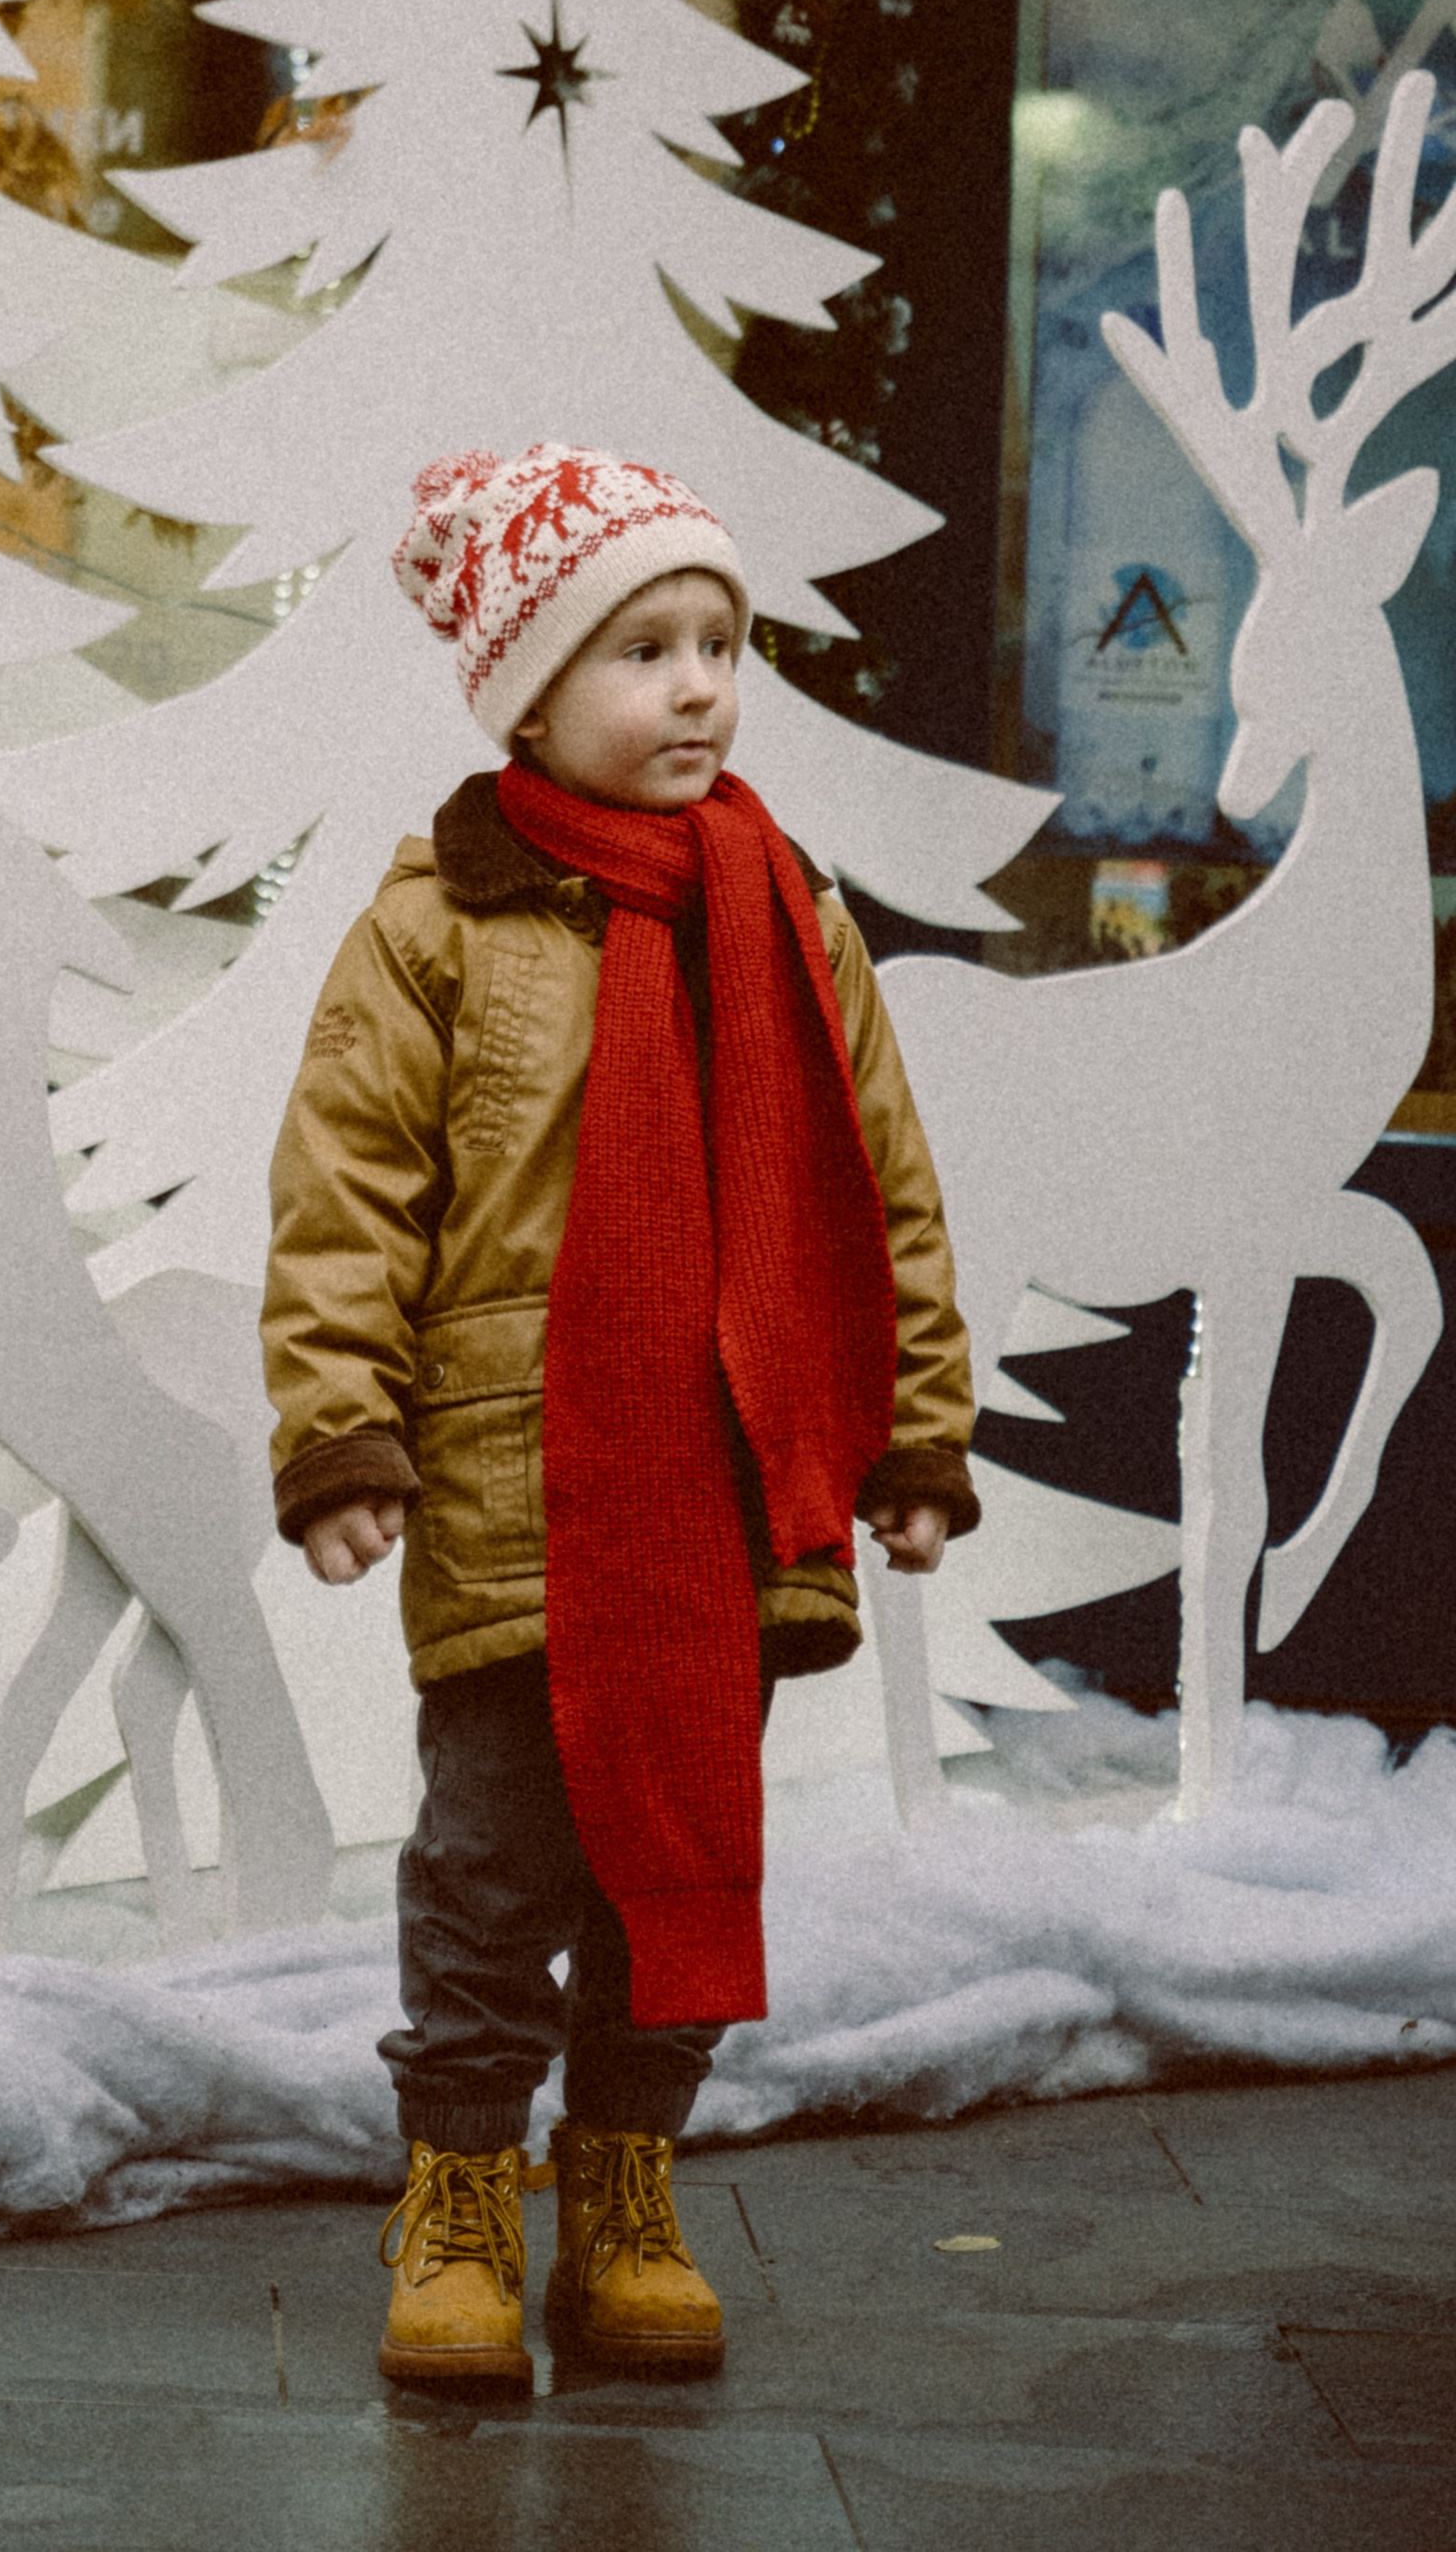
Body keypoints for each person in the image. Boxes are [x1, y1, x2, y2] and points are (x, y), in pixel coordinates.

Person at [263, 444, 976, 2392]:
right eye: (639, 648)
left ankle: (627, 2183)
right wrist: (337, 1431)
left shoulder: (779, 909)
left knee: (678, 1859)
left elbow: (874, 1187)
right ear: (526, 690)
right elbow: (346, 1199)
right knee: (491, 1867)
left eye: (716, 645)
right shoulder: (438, 924)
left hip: (728, 1477)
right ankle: (460, 2199)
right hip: (522, 1480)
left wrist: (909, 1433)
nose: (695, 688)